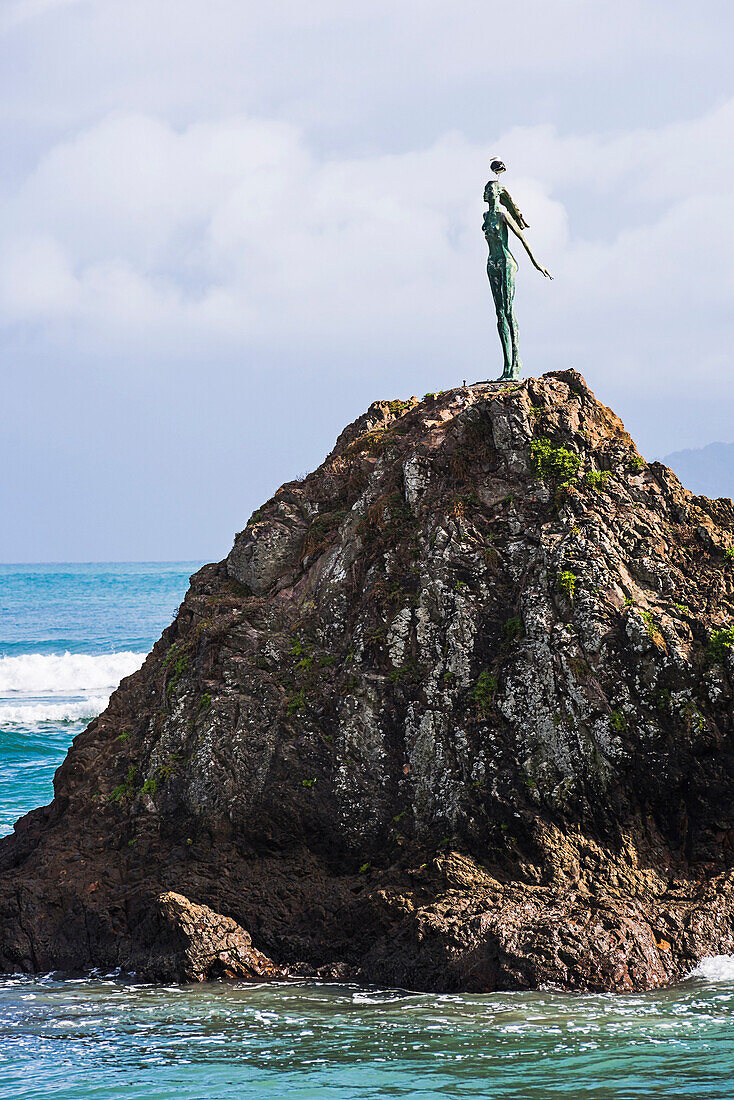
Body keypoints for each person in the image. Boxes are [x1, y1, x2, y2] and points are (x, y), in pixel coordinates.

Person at [483, 159, 552, 381]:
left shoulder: (503, 215)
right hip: (491, 264)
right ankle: (506, 367)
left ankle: (516, 363)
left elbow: (522, 239)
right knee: (498, 314)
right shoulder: (485, 217)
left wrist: (536, 263)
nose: (487, 193)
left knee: (509, 312)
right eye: (486, 190)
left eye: (491, 190)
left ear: (498, 194)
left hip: (505, 263)